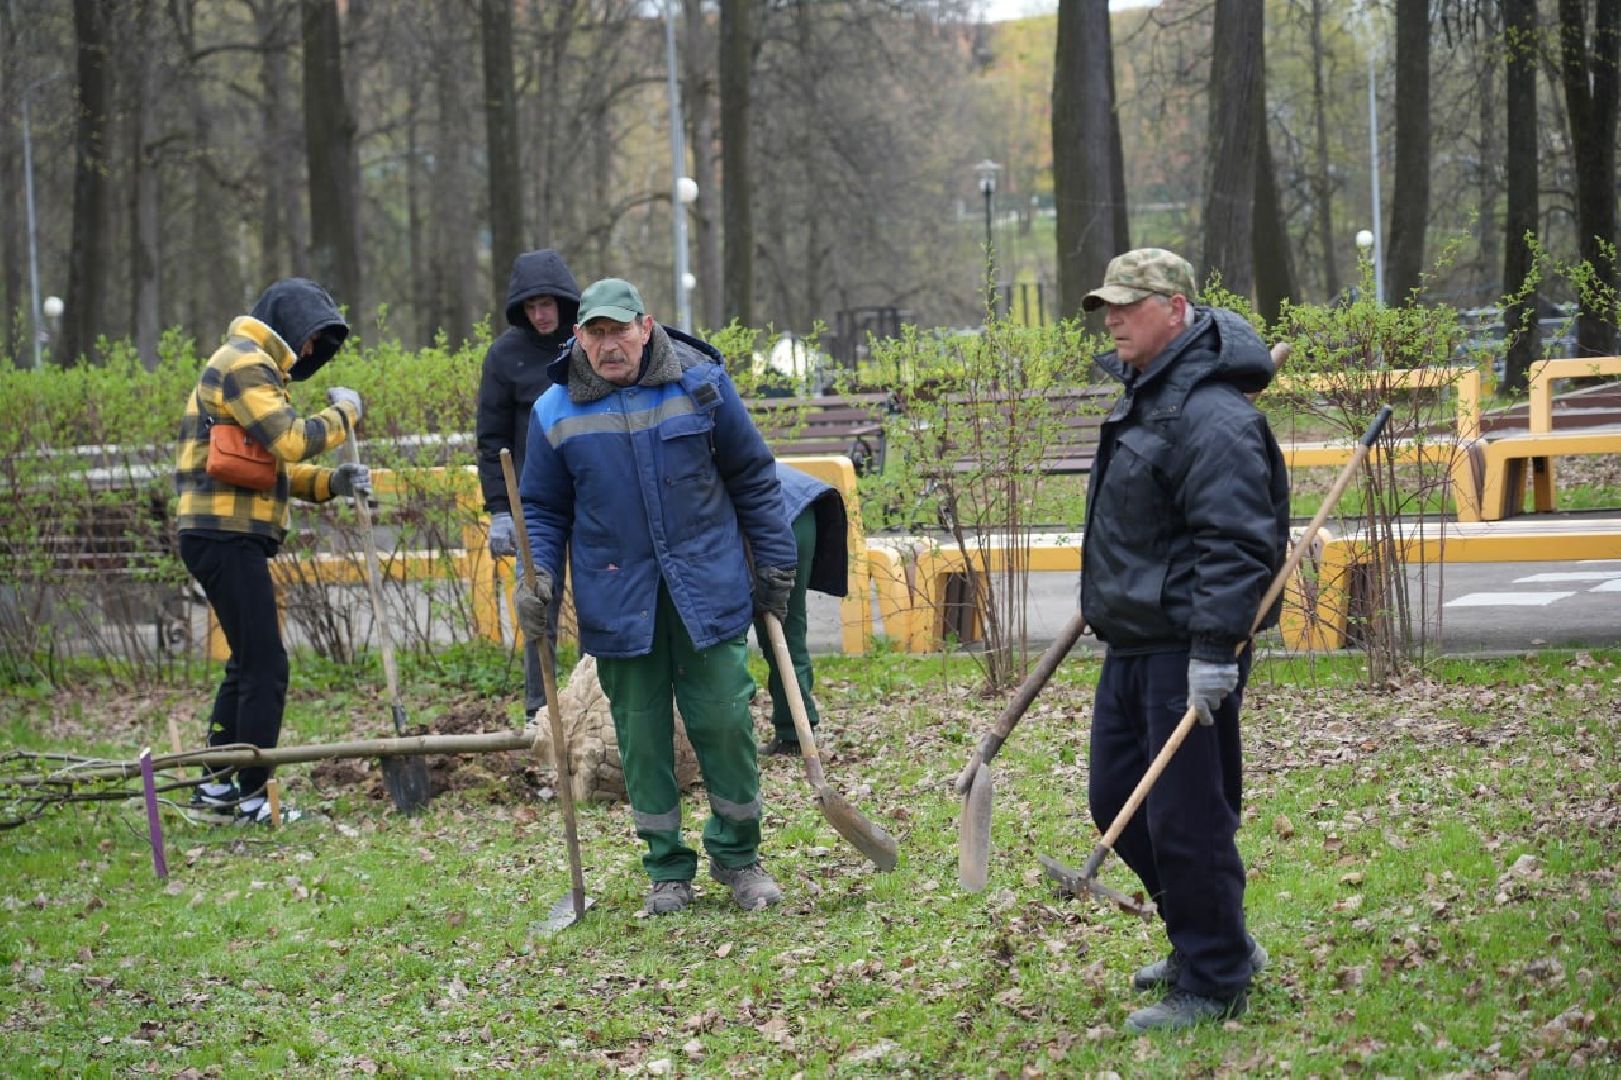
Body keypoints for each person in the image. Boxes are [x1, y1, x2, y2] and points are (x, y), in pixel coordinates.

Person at [514, 277, 799, 915]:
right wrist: (535, 580)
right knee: (640, 738)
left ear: (646, 327)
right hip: (618, 597)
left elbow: (753, 477)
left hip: (706, 587)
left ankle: (738, 856)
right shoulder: (554, 411)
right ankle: (667, 869)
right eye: (595, 333)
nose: (608, 344)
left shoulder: (701, 385)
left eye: (619, 330)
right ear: (579, 337)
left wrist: (776, 559)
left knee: (724, 722)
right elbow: (542, 510)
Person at [1076, 249, 1289, 1032]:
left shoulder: (1213, 415)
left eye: (1128, 304)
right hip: (1133, 641)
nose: (1112, 318)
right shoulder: (1149, 397)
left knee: (1185, 817)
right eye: (1106, 305)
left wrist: (1213, 649)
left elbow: (1236, 542)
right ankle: (1206, 936)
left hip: (1186, 646)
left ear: (1175, 308)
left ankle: (1214, 977)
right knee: (1115, 799)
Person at [174, 277, 371, 825]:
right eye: (310, 340)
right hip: (224, 534)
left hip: (222, 533)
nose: (309, 353)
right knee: (266, 665)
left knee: (247, 663)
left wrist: (334, 483)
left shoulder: (252, 366)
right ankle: (253, 797)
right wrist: (345, 413)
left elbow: (267, 466)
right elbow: (291, 441)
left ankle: (216, 789)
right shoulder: (244, 363)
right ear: (291, 329)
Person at [476, 249, 581, 717]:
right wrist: (500, 508)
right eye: (532, 306)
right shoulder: (505, 356)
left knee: (600, 606)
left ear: (564, 302)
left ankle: (602, 700)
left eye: (548, 304)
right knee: (537, 605)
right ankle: (541, 710)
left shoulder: (586, 344)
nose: (541, 315)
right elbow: (491, 438)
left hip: (589, 492)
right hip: (533, 503)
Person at [757, 462, 849, 756]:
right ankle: (795, 732)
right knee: (788, 629)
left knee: (728, 633)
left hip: (780, 513)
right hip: (802, 508)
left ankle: (786, 734)